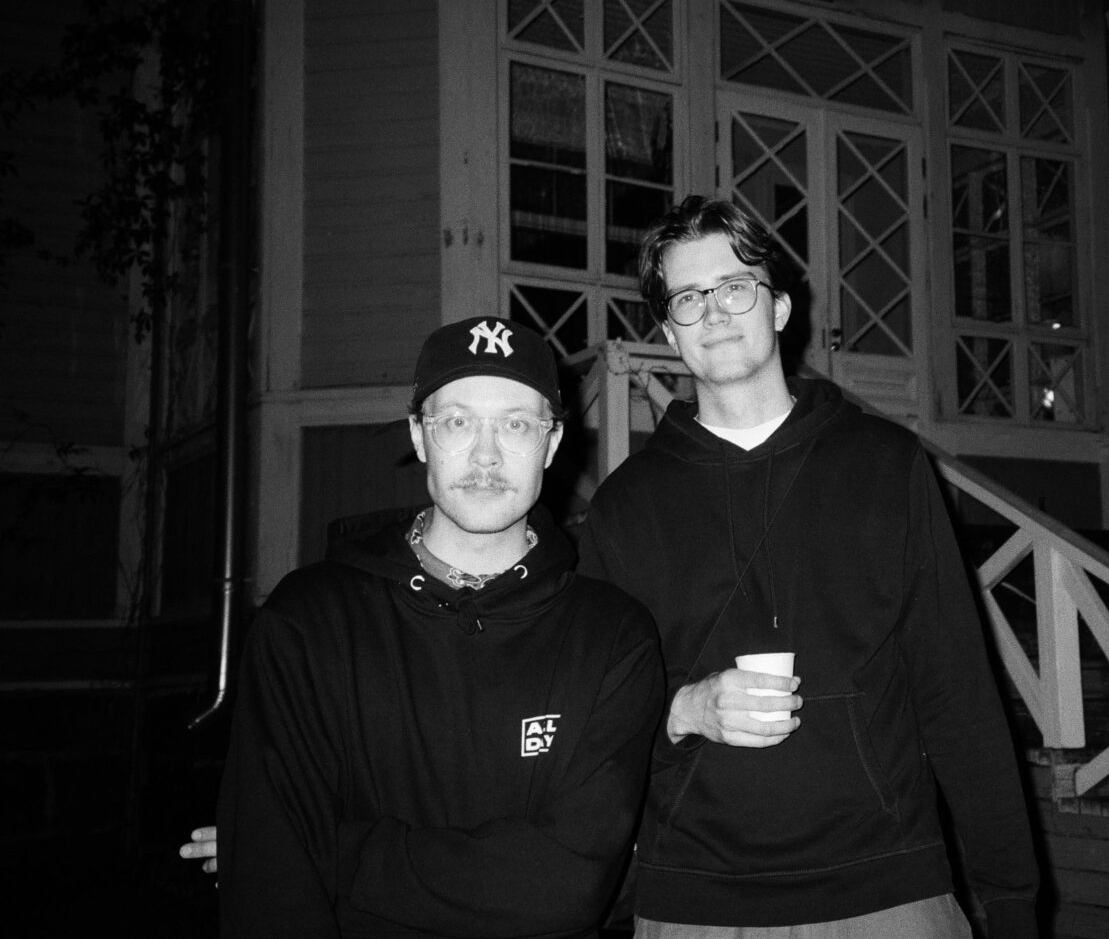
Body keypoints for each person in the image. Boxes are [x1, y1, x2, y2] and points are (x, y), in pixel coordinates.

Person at [575, 195, 1041, 937]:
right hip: (695, 900)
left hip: (889, 887)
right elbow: (591, 720)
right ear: (668, 331)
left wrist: (1011, 899)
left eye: (736, 287)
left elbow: (957, 692)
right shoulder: (624, 507)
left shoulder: (887, 466)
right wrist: (685, 710)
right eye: (688, 298)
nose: (715, 313)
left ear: (780, 308)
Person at [201, 316, 664, 938]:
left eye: (516, 425)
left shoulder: (613, 638)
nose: (485, 455)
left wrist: (325, 848)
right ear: (419, 435)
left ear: (552, 444)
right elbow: (273, 899)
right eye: (457, 422)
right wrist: (273, 849)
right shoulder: (309, 622)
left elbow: (563, 886)